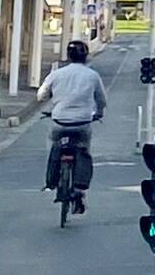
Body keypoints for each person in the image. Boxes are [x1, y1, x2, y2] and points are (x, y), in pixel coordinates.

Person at [40, 38, 106, 200]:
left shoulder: (56, 74)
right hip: (83, 122)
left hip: (59, 121)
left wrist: (52, 99)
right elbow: (101, 100)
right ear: (86, 56)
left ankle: (52, 180)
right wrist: (99, 113)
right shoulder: (92, 76)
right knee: (84, 149)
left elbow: (41, 95)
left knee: (53, 144)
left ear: (68, 56)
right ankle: (80, 187)